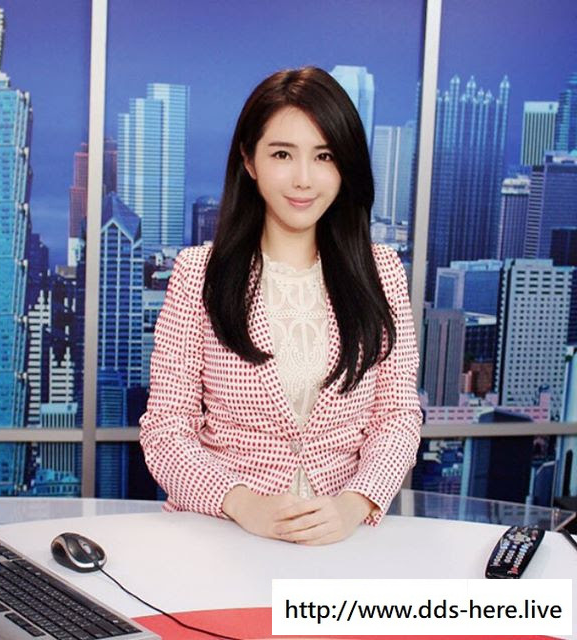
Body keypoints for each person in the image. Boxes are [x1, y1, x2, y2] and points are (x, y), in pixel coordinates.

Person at [139, 66, 421, 545]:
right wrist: (243, 505)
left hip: (339, 540)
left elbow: (397, 417)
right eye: (282, 154)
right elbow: (166, 430)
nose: (303, 179)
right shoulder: (197, 273)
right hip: (221, 535)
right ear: (249, 161)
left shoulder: (381, 272)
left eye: (324, 155)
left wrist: (353, 504)